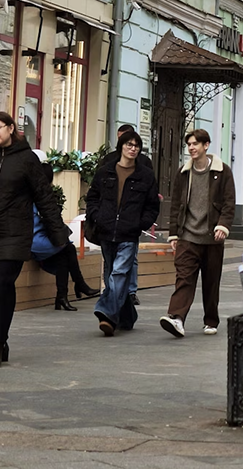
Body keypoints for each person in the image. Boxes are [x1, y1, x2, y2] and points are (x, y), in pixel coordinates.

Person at [0, 112, 71, 367]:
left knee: (4, 284)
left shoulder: (27, 160)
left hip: (15, 233)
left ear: (11, 128)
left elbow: (44, 197)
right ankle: (1, 338)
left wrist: (57, 232)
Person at [160, 129, 236, 338]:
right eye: (189, 145)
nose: (191, 148)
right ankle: (176, 318)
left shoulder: (223, 172)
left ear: (206, 145)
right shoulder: (183, 173)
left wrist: (223, 226)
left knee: (211, 282)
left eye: (195, 144)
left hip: (212, 237)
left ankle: (211, 320)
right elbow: (176, 205)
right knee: (184, 278)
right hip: (188, 236)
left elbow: (229, 203)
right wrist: (174, 234)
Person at [85, 129, 158, 335]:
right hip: (106, 231)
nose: (133, 149)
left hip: (129, 232)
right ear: (121, 147)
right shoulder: (105, 171)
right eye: (129, 145)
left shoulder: (145, 175)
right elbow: (92, 198)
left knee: (119, 273)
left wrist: (140, 224)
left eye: (136, 146)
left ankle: (106, 312)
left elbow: (152, 206)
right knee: (111, 275)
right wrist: (97, 217)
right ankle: (128, 316)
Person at [31, 152, 99, 311]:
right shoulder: (33, 197)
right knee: (65, 247)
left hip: (41, 237)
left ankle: (62, 296)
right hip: (31, 239)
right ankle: (77, 285)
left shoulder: (43, 195)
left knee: (64, 251)